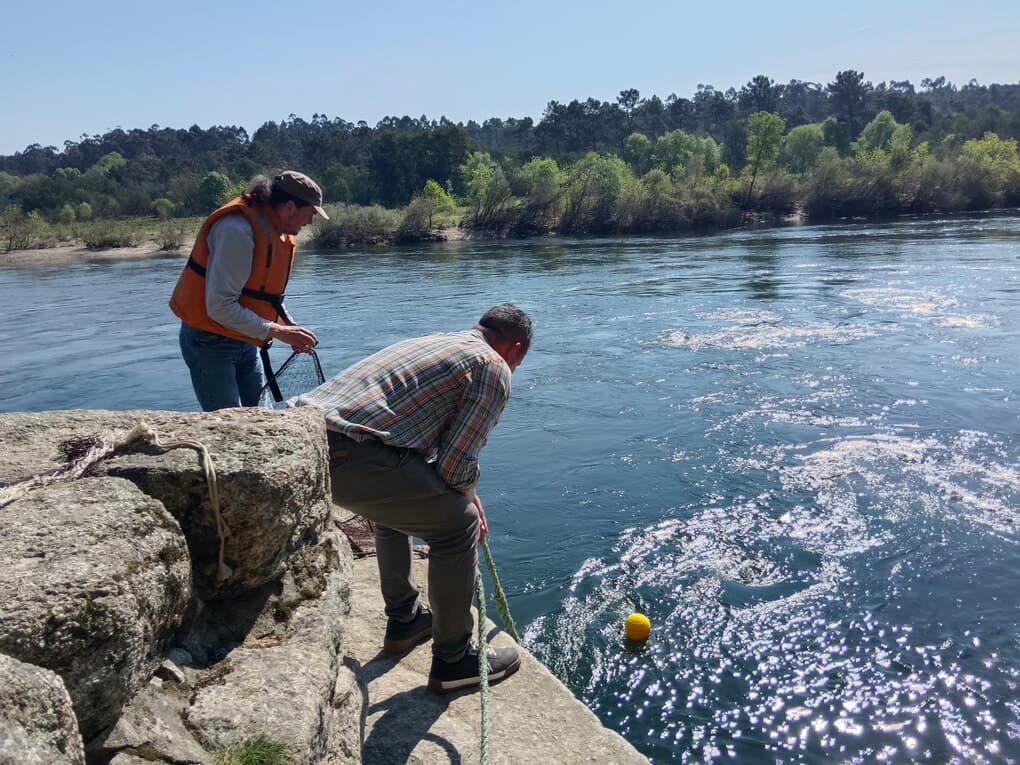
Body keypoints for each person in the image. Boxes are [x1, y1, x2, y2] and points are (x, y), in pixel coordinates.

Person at [293, 304, 532, 693]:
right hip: (348, 455)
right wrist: (471, 500)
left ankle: (404, 620)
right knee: (459, 524)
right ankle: (455, 660)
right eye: (519, 363)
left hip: (304, 440)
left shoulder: (437, 342)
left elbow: (413, 445)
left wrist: (463, 489)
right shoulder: (492, 366)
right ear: (515, 348)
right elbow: (456, 465)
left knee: (399, 503)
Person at [169, 171, 326, 411]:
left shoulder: (276, 230)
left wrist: (288, 326)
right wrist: (279, 332)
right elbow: (219, 306)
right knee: (227, 426)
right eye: (311, 213)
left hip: (245, 339)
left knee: (262, 417)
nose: (311, 222)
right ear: (290, 206)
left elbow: (265, 296)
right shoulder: (237, 230)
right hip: (209, 342)